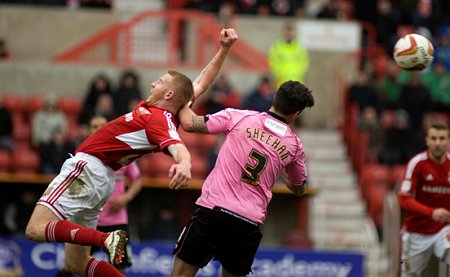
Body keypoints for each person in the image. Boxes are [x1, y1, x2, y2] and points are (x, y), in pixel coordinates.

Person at [25, 28, 239, 277]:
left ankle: (104, 239)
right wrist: (224, 49)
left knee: (34, 229)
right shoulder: (169, 109)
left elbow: (178, 146)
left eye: (158, 82)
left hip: (87, 169)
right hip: (102, 179)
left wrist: (185, 162)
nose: (152, 83)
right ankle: (105, 240)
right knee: (76, 264)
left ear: (168, 94)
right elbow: (200, 82)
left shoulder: (158, 120)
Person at [172, 80, 314, 277]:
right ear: (296, 113)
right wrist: (283, 174)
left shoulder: (239, 117)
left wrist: (181, 99)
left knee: (181, 274)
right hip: (247, 221)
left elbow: (189, 123)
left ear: (274, 98)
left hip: (213, 208)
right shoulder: (294, 146)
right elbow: (300, 188)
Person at [56, 114, 142, 276]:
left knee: (119, 266)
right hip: (88, 222)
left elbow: (138, 180)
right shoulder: (81, 156)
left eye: (103, 125)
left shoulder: (121, 152)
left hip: (117, 222)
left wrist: (126, 197)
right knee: (71, 266)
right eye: (95, 126)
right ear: (88, 130)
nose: (99, 129)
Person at [397, 121, 450, 276]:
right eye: (433, 139)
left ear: (448, 141)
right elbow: (403, 198)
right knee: (409, 274)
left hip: (444, 228)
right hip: (417, 231)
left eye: (442, 138)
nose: (438, 143)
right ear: (427, 140)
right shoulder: (417, 164)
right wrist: (431, 212)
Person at [268, 23, 309, 88]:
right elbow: (272, 62)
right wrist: (279, 73)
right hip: (281, 82)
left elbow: (304, 63)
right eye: (287, 32)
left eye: (291, 32)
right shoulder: (276, 47)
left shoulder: (300, 47)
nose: (289, 34)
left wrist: (298, 73)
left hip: (297, 82)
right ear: (283, 32)